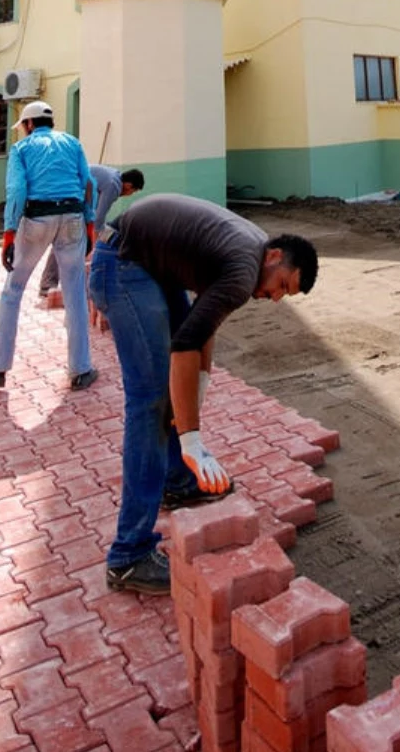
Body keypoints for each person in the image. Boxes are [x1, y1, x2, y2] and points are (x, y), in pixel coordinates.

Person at [86, 193, 319, 594]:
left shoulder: (251, 253)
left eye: (285, 295)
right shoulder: (245, 272)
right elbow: (186, 345)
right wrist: (192, 438)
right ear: (274, 256)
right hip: (125, 264)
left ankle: (175, 480)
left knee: (174, 386)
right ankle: (129, 555)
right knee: (152, 401)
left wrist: (201, 386)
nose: (275, 298)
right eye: (282, 285)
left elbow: (203, 322)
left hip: (149, 262)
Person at [0, 100, 99, 391]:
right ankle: (81, 369)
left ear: (29, 124)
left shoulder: (21, 149)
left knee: (13, 290)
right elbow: (88, 183)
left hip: (36, 219)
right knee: (75, 292)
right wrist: (90, 224)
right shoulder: (71, 142)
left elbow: (17, 189)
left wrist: (9, 232)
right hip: (72, 217)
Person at [37, 165, 146, 302]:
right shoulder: (114, 185)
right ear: (129, 186)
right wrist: (94, 249)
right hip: (67, 198)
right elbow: (98, 220)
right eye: (133, 191)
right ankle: (49, 286)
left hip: (67, 195)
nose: (130, 194)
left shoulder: (113, 177)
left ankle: (53, 285)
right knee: (66, 240)